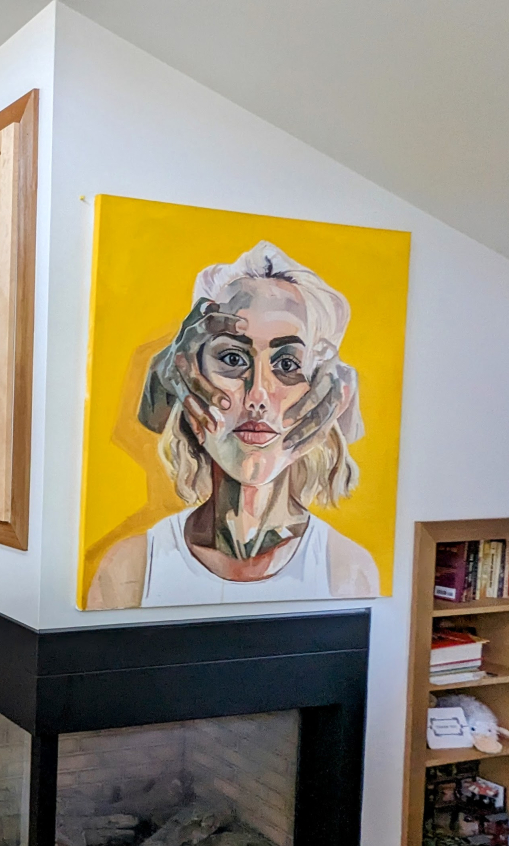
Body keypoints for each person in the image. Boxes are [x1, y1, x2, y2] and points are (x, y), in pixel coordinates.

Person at [87, 241, 378, 609]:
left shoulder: (347, 570)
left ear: (324, 393)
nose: (257, 395)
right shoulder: (129, 570)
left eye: (288, 364)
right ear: (188, 376)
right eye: (232, 358)